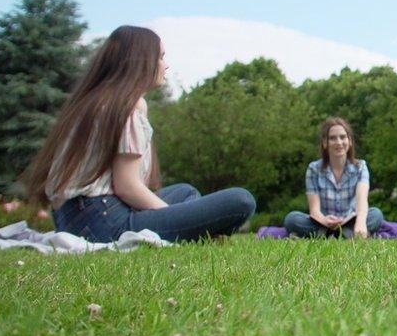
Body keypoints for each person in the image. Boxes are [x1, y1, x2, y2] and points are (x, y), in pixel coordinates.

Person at [21, 26, 256, 242]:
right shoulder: (125, 108)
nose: (166, 65)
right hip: (102, 222)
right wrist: (176, 217)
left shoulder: (96, 101)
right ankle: (189, 235)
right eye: (161, 57)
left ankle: (189, 233)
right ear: (141, 61)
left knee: (186, 192)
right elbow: (127, 186)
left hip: (75, 217)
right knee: (241, 200)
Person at [283, 117, 384, 238]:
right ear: (325, 143)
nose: (339, 142)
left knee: (376, 214)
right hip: (323, 223)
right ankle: (345, 236)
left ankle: (329, 236)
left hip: (350, 220)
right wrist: (324, 220)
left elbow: (362, 202)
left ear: (350, 141)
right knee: (292, 219)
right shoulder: (313, 169)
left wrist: (361, 223)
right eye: (332, 138)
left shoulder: (360, 167)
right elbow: (314, 209)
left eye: (343, 137)